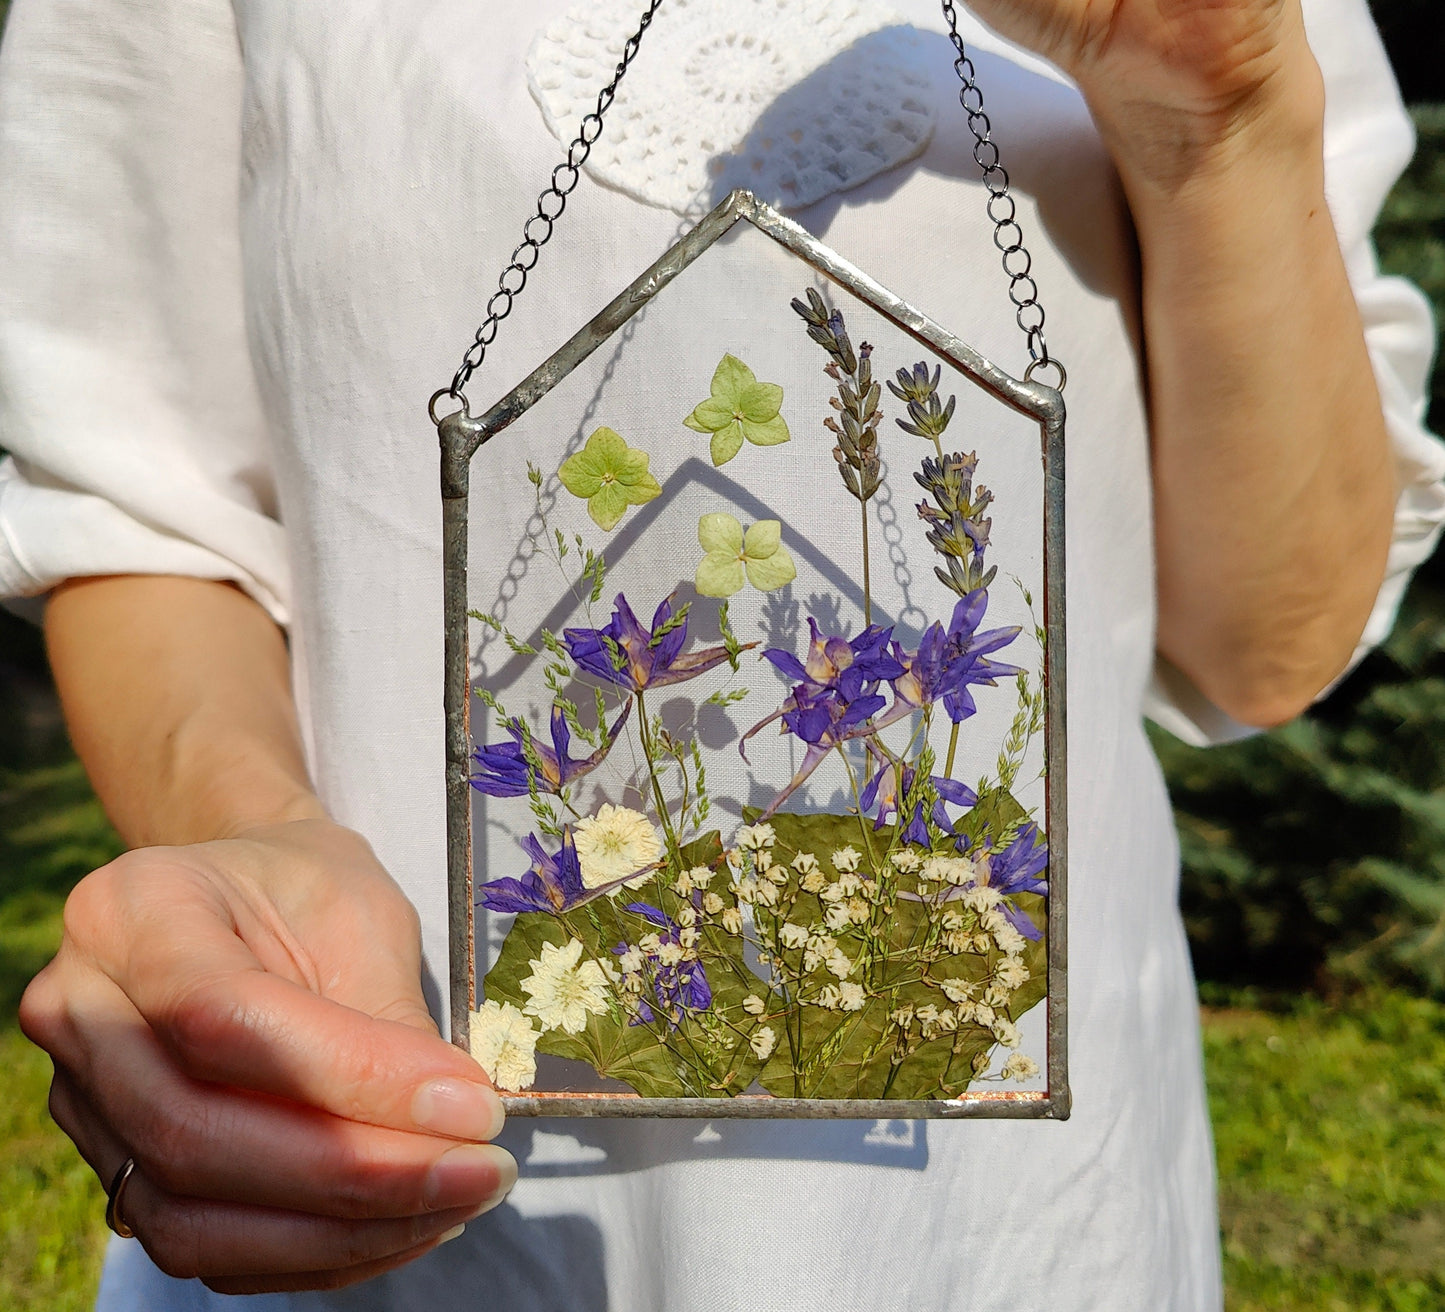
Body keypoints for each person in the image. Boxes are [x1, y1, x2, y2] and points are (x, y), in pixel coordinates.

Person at [1, 0, 1441, 1307]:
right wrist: (248, 832)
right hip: (408, 1157)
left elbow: (1263, 645)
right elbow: (139, 500)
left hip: (1012, 1237)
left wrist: (1223, 117)